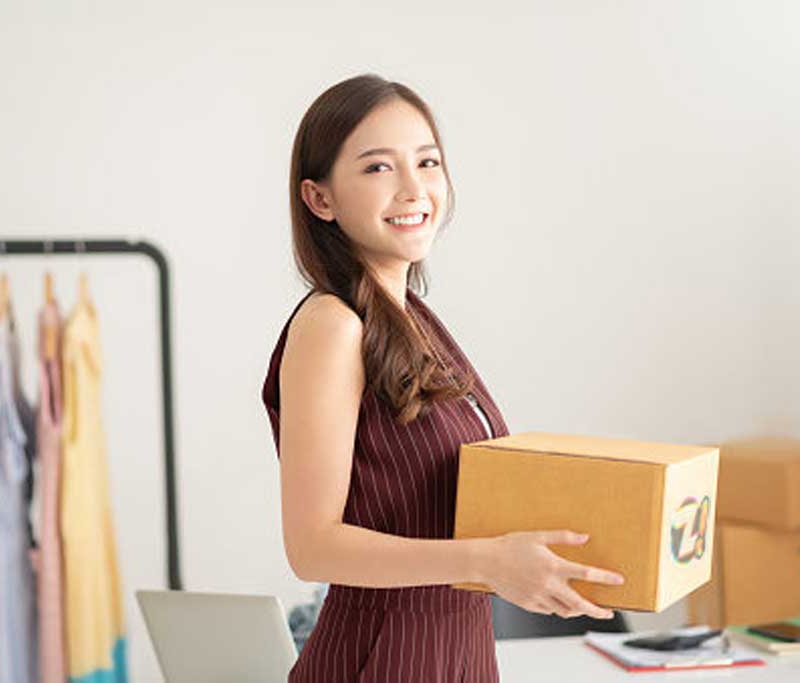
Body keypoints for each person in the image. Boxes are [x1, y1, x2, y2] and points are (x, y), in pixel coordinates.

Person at [261, 74, 625, 682]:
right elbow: (312, 545)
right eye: (379, 168)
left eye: (427, 162)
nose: (414, 188)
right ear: (320, 199)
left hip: (458, 653)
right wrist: (489, 560)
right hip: (383, 658)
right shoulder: (332, 326)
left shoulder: (414, 323)